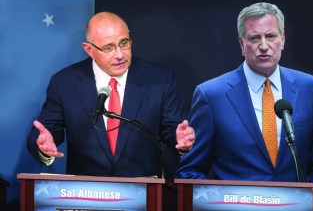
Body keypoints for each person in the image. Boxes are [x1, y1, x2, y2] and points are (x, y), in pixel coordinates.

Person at [176, 2, 313, 183]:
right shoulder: (212, 95)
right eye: (254, 38)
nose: (263, 45)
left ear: (282, 39)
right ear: (241, 44)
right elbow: (191, 170)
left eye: (270, 36)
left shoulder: (310, 88)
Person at [27, 11, 195, 180]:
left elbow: (173, 128)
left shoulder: (160, 79)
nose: (120, 54)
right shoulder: (65, 82)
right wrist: (42, 145)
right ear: (89, 50)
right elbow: (47, 129)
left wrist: (180, 139)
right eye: (108, 48)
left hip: (145, 192)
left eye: (124, 43)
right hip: (86, 192)